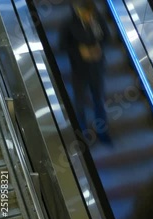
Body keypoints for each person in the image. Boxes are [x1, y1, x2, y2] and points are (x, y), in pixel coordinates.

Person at [59, 1, 112, 145]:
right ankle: (82, 134)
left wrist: (98, 47)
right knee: (80, 103)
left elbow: (107, 36)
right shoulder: (69, 24)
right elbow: (62, 46)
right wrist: (80, 51)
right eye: (86, 14)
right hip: (79, 70)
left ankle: (103, 132)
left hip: (97, 68)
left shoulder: (97, 19)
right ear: (78, 12)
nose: (89, 17)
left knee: (99, 100)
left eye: (91, 14)